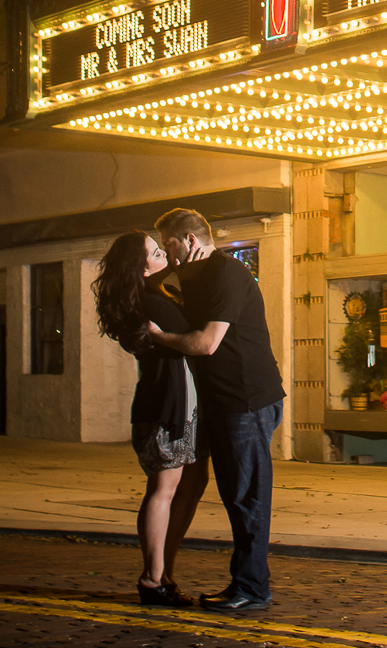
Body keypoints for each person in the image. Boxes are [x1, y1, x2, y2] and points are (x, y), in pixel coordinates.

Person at [145, 209, 284, 613]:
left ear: (189, 240)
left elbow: (206, 344)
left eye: (168, 246)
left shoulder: (227, 273)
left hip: (246, 400)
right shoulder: (191, 275)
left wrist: (158, 336)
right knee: (231, 493)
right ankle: (236, 583)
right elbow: (155, 283)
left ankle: (252, 588)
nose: (167, 256)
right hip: (221, 400)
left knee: (247, 497)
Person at [93, 231, 211, 607]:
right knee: (164, 490)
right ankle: (153, 579)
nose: (166, 256)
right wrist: (190, 270)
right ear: (141, 265)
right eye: (158, 253)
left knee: (182, 485)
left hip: (168, 408)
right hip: (167, 411)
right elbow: (199, 333)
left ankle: (161, 574)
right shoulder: (152, 303)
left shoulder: (145, 300)